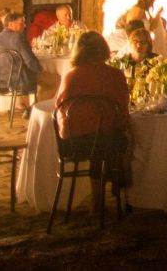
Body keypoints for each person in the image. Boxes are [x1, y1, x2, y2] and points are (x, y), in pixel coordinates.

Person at [54, 31, 130, 214]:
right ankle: (124, 192)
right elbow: (123, 110)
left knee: (100, 140)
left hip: (73, 143)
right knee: (122, 139)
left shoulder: (71, 76)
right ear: (104, 49)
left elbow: (59, 107)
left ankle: (99, 199)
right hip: (105, 141)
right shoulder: (115, 75)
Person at [0, 11, 43, 102]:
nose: (25, 25)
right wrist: (41, 70)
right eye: (21, 23)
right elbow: (30, 61)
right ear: (11, 24)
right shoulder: (18, 38)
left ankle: (22, 104)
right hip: (19, 82)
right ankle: (33, 107)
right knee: (50, 81)